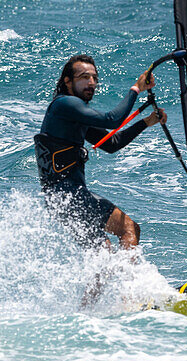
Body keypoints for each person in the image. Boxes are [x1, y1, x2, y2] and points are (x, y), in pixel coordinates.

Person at [34, 54, 166, 254]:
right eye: (84, 77)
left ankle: (98, 287)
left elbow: (112, 143)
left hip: (59, 200)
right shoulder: (65, 104)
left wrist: (145, 122)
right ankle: (128, 285)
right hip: (69, 195)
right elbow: (112, 119)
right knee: (129, 229)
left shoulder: (72, 117)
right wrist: (136, 88)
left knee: (102, 253)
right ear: (67, 82)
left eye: (94, 78)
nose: (91, 82)